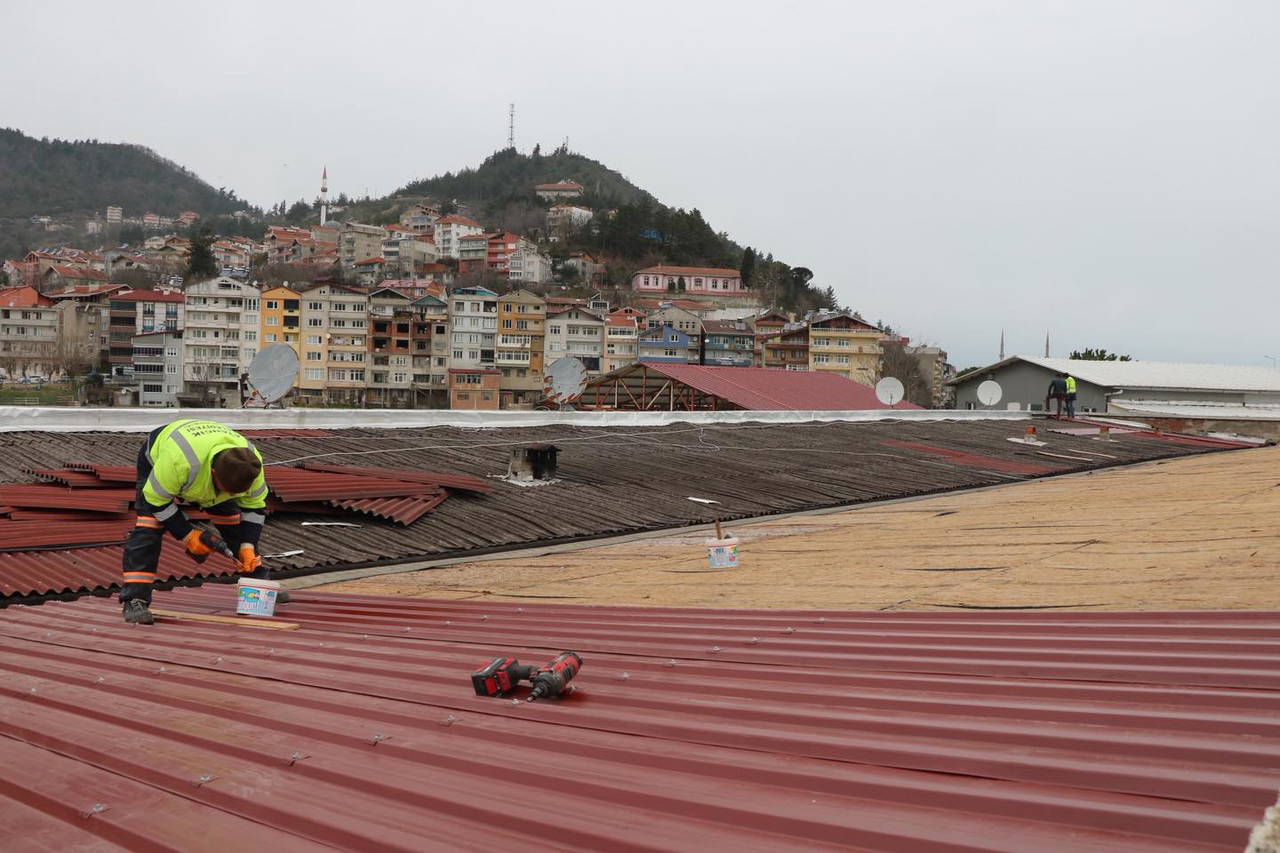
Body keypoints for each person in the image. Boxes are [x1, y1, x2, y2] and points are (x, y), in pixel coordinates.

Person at [120, 419, 275, 624]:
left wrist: (248, 546)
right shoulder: (179, 461)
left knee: (234, 525)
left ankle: (258, 584)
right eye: (228, 489)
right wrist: (187, 534)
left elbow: (254, 508)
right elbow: (155, 500)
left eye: (236, 492)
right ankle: (134, 600)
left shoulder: (251, 466)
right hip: (161, 460)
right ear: (214, 473)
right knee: (149, 526)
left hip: (205, 467)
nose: (231, 495)